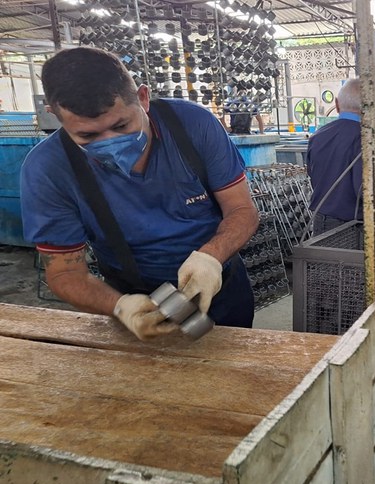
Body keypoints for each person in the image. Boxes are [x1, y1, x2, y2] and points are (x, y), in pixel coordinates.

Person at [20, 47, 259, 341]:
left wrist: (211, 257)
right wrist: (120, 306)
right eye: (88, 136)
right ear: (54, 115)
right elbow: (64, 273)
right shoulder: (48, 169)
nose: (111, 142)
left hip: (219, 285)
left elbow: (242, 210)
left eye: (122, 125)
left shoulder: (192, 125)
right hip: (135, 303)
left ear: (143, 98)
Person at [307, 78, 375, 235]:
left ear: (336, 104)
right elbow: (365, 189)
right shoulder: (368, 139)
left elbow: (313, 176)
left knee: (323, 260)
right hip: (351, 228)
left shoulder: (317, 136)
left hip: (319, 223)